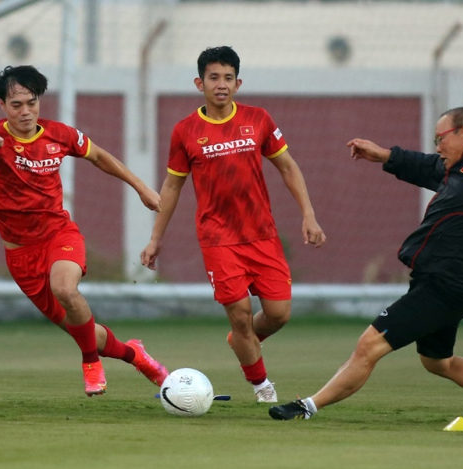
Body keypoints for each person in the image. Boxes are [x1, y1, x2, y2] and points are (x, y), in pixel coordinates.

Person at [269, 107, 463, 424]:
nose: (437, 146)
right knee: (439, 363)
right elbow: (422, 165)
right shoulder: (458, 169)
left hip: (442, 288)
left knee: (369, 344)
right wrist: (383, 155)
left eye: (441, 138)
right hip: (444, 288)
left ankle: (306, 407)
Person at [0, 65, 168, 397]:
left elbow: (99, 156)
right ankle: (137, 356)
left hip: (60, 235)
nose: (26, 111)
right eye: (16, 105)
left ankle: (90, 365)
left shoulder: (59, 134)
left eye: (31, 102)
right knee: (84, 330)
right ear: (2, 106)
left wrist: (141, 188)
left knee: (66, 289)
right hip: (20, 255)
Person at [140, 46, 326, 403]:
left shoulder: (259, 119)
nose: (221, 84)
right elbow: (173, 185)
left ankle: (240, 340)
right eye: (213, 78)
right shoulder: (185, 130)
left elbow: (287, 166)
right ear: (200, 83)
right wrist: (155, 239)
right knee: (240, 316)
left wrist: (309, 214)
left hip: (262, 235)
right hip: (217, 239)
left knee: (278, 313)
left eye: (228, 78)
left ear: (238, 83)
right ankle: (262, 387)